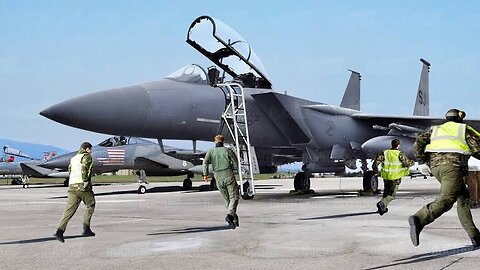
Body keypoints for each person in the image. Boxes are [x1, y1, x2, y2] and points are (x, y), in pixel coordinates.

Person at [409, 108, 480, 247]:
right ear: (460, 118)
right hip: (452, 167)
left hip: (435, 168)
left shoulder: (435, 129)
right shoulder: (464, 129)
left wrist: (422, 162)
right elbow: (477, 149)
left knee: (463, 198)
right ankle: (419, 218)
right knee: (447, 199)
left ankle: (475, 236)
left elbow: (417, 144)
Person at [54, 142, 96, 243]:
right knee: (91, 205)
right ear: (86, 149)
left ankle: (59, 231)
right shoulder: (87, 157)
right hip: (83, 186)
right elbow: (84, 168)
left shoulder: (74, 158)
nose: (91, 151)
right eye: (90, 149)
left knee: (69, 210)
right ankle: (86, 228)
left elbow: (70, 170)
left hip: (72, 186)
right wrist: (85, 181)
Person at [202, 135, 240, 229]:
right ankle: (230, 215)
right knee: (234, 197)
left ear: (215, 141)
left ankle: (233, 219)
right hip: (228, 174)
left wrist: (205, 174)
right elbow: (236, 163)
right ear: (223, 142)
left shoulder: (210, 151)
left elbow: (205, 162)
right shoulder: (227, 151)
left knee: (227, 199)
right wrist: (234, 171)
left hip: (217, 177)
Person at [372, 139, 414, 215]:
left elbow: (375, 163)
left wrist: (375, 171)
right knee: (391, 195)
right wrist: (412, 163)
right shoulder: (399, 154)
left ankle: (382, 209)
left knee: (386, 193)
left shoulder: (385, 153)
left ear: (391, 144)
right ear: (398, 145)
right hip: (395, 178)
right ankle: (382, 203)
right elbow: (406, 163)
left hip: (386, 177)